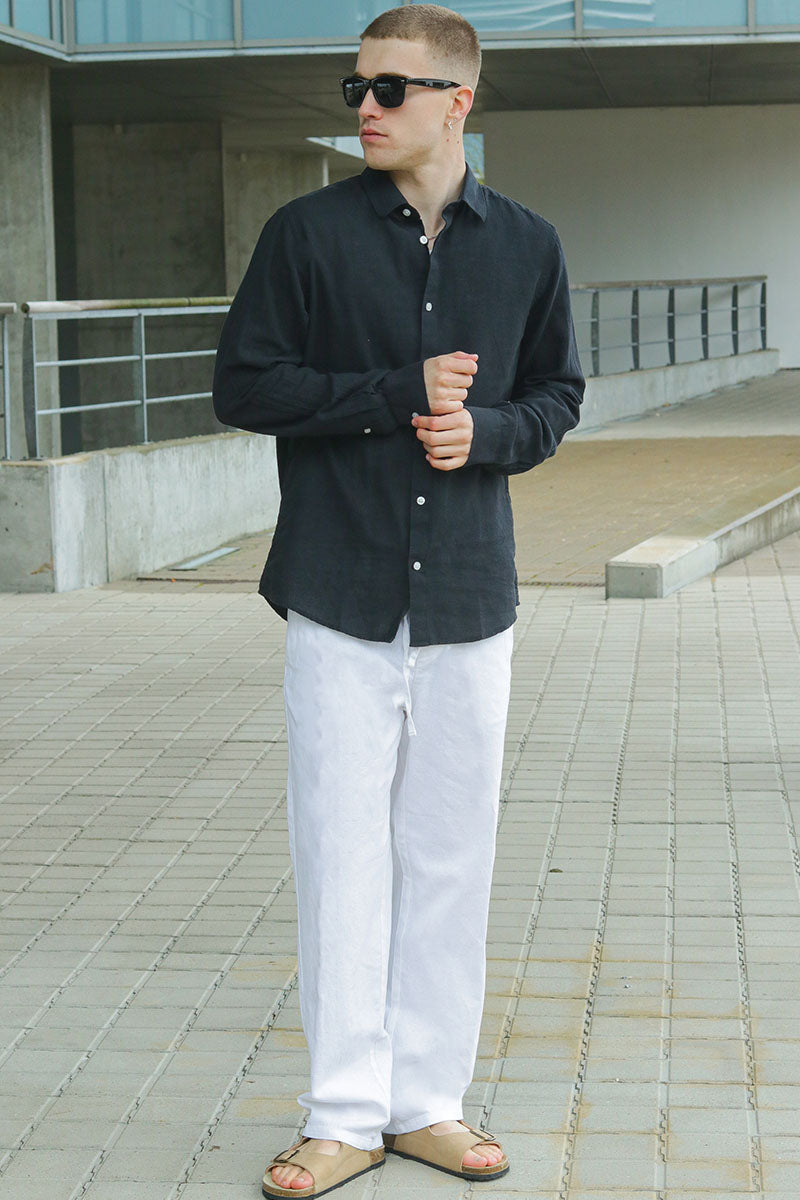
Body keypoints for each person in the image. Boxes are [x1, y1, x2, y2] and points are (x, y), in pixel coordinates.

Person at [212, 5, 584, 1196]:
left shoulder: (526, 245)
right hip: (337, 592)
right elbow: (243, 386)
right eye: (355, 87)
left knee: (450, 856)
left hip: (469, 597)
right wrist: (394, 393)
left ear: (456, 101)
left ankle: (425, 1103)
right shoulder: (304, 235)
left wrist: (487, 433)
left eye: (390, 88)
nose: (364, 108)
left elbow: (558, 395)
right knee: (340, 856)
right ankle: (340, 1114)